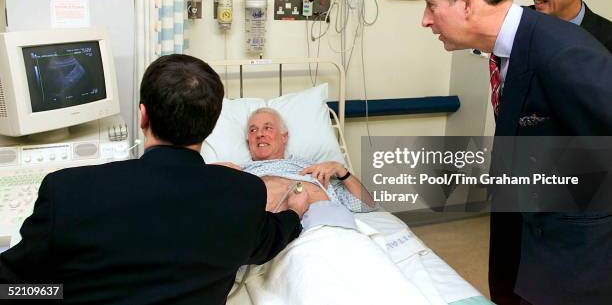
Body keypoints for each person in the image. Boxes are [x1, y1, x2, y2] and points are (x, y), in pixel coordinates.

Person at [0, 54, 309, 305]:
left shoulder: (67, 191)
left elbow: (10, 286)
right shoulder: (242, 195)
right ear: (211, 125)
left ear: (143, 116)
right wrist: (294, 211)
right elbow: (272, 238)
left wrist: (61, 291)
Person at [421, 0, 612, 305]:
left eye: (431, 5)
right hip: (524, 231)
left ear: (465, 1)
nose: (426, 19)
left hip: (574, 258)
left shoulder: (563, 54)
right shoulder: (516, 45)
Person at [220, 107, 376, 214]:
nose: (260, 134)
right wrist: (211, 173)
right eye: (253, 130)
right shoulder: (238, 172)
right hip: (264, 235)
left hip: (321, 230)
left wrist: (341, 169)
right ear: (249, 141)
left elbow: (367, 205)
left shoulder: (314, 168)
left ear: (284, 136)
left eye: (268, 128)